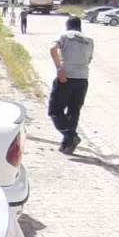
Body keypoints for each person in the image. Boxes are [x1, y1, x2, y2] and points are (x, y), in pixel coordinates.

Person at [48, 16, 94, 154]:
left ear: (67, 26)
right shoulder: (89, 41)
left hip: (65, 78)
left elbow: (52, 48)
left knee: (55, 111)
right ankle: (67, 145)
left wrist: (59, 68)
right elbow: (89, 59)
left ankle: (70, 136)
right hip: (83, 79)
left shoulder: (64, 36)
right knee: (74, 112)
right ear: (80, 27)